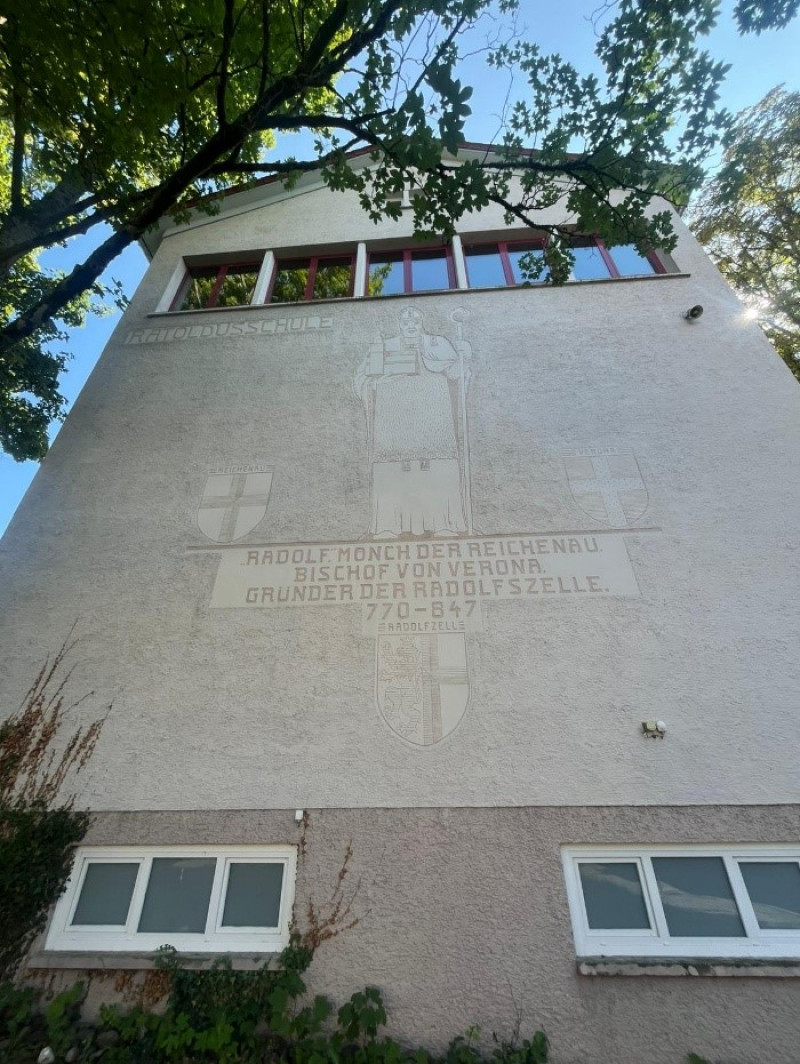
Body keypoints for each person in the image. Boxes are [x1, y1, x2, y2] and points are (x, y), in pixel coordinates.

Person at [353, 308, 472, 538]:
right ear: (399, 324)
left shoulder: (437, 344)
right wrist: (377, 381)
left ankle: (442, 524)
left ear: (422, 323)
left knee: (437, 464)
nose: (411, 324)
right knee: (393, 467)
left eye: (415, 320)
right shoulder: (385, 346)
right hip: (394, 420)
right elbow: (363, 378)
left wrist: (464, 358)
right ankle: (389, 525)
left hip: (433, 418)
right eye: (406, 320)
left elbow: (456, 375)